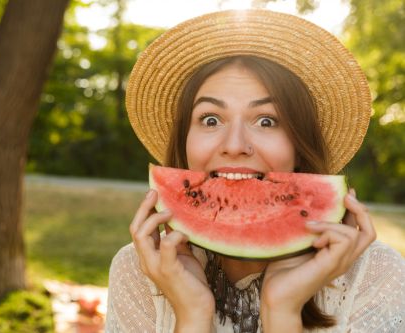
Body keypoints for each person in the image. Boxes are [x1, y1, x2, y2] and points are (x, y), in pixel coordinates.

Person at [105, 9, 405, 333]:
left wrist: (283, 310)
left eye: (266, 120)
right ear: (184, 140)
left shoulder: (374, 273)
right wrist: (192, 313)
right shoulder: (140, 268)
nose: (234, 145)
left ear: (300, 143)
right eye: (210, 119)